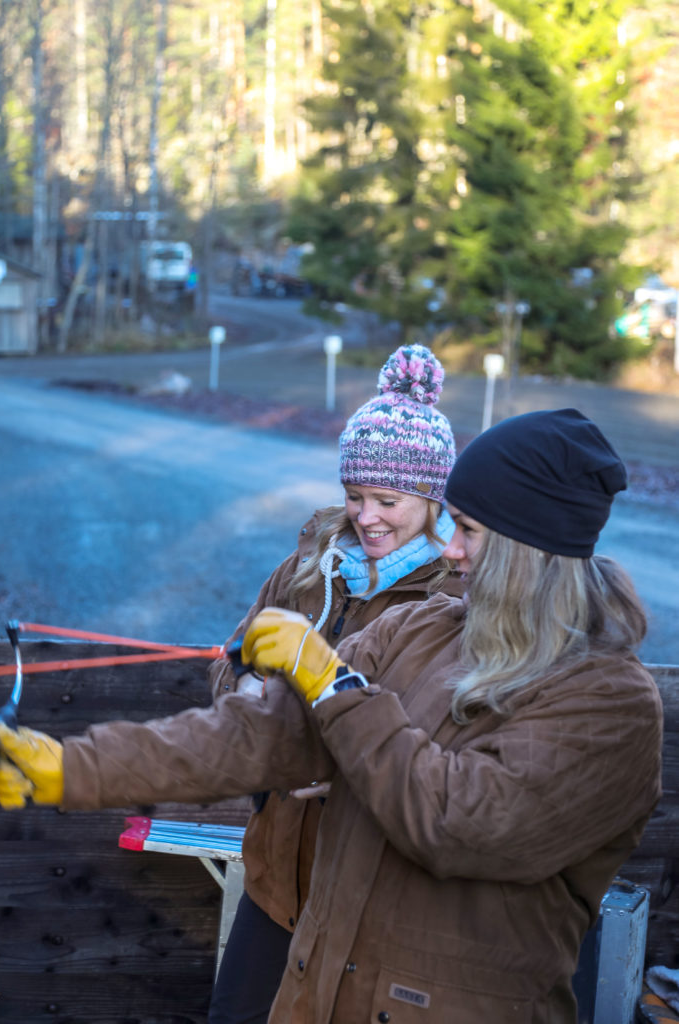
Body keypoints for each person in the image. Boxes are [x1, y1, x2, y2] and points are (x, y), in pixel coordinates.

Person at [0, 408, 663, 1023]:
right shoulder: (421, 629)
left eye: (467, 530)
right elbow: (260, 732)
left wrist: (331, 680)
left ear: (529, 551)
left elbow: (458, 821)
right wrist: (74, 769)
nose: (451, 550)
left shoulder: (610, 703)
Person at [204, 342, 463, 1023]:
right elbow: (231, 663)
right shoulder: (308, 565)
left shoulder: (460, 595)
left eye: (387, 500)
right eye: (354, 496)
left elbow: (453, 749)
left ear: (434, 499)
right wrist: (253, 714)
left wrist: (345, 766)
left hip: (373, 900)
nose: (367, 517)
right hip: (274, 882)